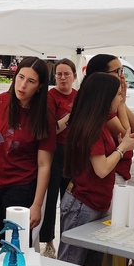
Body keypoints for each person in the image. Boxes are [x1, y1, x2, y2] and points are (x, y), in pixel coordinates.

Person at [56, 73, 134, 266]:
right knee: (69, 265)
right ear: (104, 98)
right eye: (117, 95)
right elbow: (102, 169)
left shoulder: (99, 122)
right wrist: (122, 148)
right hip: (82, 204)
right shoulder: (92, 128)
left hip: (95, 203)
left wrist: (124, 144)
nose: (121, 98)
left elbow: (128, 130)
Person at [0, 56, 56, 248]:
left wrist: (37, 205)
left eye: (31, 81)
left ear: (39, 86)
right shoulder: (1, 101)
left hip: (21, 187)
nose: (22, 85)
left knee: (16, 247)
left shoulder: (44, 116)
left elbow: (44, 165)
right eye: (20, 77)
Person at [39, 59, 78, 256]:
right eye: (59, 74)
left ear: (74, 76)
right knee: (50, 197)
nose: (62, 78)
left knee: (69, 200)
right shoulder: (50, 96)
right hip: (54, 151)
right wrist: (72, 116)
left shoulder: (78, 96)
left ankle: (68, 239)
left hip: (73, 153)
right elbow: (52, 128)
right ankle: (49, 242)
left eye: (66, 74)